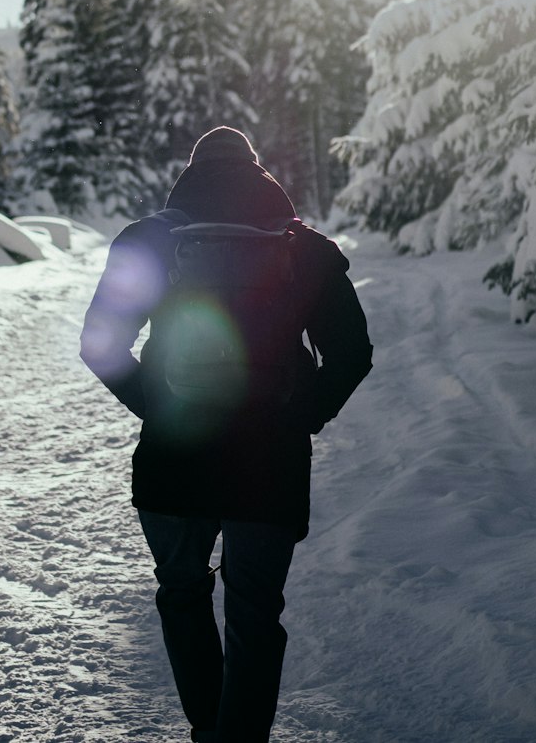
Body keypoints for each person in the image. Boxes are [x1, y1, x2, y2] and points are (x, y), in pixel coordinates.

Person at [80, 125, 373, 743]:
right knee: (254, 614)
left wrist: (158, 408)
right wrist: (298, 419)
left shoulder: (149, 242)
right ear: (258, 176)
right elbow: (351, 355)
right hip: (270, 462)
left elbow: (100, 343)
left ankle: (208, 733)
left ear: (191, 176)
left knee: (182, 593)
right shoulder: (304, 247)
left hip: (173, 456)